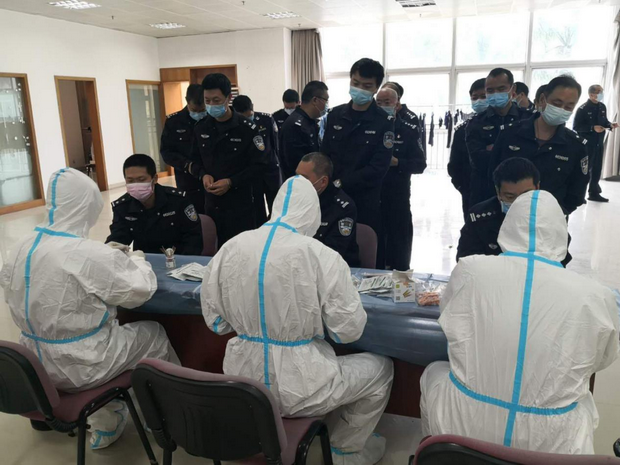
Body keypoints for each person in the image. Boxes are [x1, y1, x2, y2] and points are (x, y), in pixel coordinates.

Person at [201, 176, 393, 465]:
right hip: (303, 389)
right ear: (312, 213)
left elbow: (216, 323)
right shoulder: (321, 256)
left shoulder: (230, 248)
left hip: (244, 387)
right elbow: (348, 332)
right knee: (381, 369)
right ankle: (347, 451)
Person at [421, 190, 619, 454]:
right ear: (562, 232)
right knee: (582, 402)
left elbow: (450, 319)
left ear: (508, 226)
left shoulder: (470, 270)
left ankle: (436, 454)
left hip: (464, 427)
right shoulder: (595, 296)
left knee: (433, 372)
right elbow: (603, 358)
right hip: (551, 444)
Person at [1, 168, 178, 449]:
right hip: (82, 365)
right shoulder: (86, 254)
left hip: (34, 367)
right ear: (86, 207)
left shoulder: (19, 247)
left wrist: (105, 258)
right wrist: (137, 260)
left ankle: (106, 420)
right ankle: (162, 416)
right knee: (153, 334)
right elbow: (138, 291)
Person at [489, 75, 589, 216]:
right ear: (543, 99)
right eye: (557, 103)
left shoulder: (575, 146)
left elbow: (577, 192)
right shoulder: (510, 134)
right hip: (507, 215)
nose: (562, 109)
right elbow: (492, 175)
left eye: (569, 106)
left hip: (550, 219)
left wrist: (556, 214)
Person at [189, 73, 268, 246]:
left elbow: (260, 165)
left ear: (228, 98)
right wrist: (203, 175)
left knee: (242, 250)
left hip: (241, 204)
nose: (211, 105)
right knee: (215, 249)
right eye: (207, 100)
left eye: (216, 100)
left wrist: (231, 182)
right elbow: (194, 160)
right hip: (211, 203)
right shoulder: (201, 128)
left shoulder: (247, 129)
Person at [321, 58, 395, 243]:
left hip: (365, 200)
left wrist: (341, 182)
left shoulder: (384, 122)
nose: (359, 89)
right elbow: (324, 155)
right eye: (355, 83)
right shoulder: (335, 115)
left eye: (367, 85)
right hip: (332, 198)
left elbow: (378, 168)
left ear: (376, 88)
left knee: (364, 248)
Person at [107, 154, 203, 255]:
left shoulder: (178, 200)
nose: (136, 185)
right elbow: (118, 238)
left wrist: (180, 261)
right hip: (143, 260)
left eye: (141, 179)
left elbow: (194, 238)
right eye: (130, 180)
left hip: (178, 258)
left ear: (155, 179)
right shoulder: (122, 207)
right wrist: (110, 249)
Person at [376, 87, 426, 270]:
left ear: (397, 105)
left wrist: (398, 162)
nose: (382, 106)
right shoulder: (368, 128)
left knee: (399, 244)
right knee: (376, 244)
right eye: (378, 102)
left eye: (387, 102)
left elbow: (420, 164)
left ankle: (401, 276)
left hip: (398, 195)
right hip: (372, 196)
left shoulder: (408, 130)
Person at [466, 68, 530, 206]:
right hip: (485, 193)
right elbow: (478, 161)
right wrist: (512, 150)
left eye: (501, 89)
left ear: (512, 89)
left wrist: (494, 149)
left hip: (522, 195)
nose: (495, 94)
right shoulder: (476, 123)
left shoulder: (528, 120)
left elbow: (530, 158)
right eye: (490, 90)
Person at [457, 157, 540, 261]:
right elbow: (466, 261)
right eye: (510, 197)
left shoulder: (551, 216)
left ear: (537, 187)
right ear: (498, 192)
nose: (518, 202)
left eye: (526, 195)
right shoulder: (479, 218)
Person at [296, 152, 359, 267]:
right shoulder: (295, 201)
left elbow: (332, 253)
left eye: (304, 178)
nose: (297, 182)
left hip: (334, 269)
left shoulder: (343, 208)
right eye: (296, 176)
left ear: (323, 181)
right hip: (300, 265)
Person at [232, 95, 282, 220]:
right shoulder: (234, 124)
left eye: (249, 115)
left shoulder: (266, 119)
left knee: (276, 207)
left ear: (252, 108)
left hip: (270, 170)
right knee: (257, 209)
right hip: (252, 173)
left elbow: (275, 145)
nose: (247, 119)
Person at [160, 84, 207, 214]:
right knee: (192, 215)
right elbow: (166, 152)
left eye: (202, 110)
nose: (199, 114)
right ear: (187, 101)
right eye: (195, 110)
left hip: (211, 178)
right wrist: (187, 165)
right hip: (187, 179)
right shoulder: (174, 121)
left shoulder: (212, 119)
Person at [448, 78, 487, 220]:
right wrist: (462, 188)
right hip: (471, 192)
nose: (479, 101)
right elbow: (454, 165)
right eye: (475, 97)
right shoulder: (463, 130)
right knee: (472, 227)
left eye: (483, 96)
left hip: (503, 194)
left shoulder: (508, 128)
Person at [573, 84, 618, 203]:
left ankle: (594, 193)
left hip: (599, 143)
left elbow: (604, 122)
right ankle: (579, 195)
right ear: (591, 94)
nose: (601, 94)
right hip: (587, 144)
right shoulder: (582, 109)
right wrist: (592, 128)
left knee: (597, 169)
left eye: (602, 92)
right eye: (599, 92)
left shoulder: (602, 106)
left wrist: (610, 125)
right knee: (585, 170)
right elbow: (576, 127)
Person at [280, 81, 328, 178]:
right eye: (325, 100)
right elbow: (296, 165)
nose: (326, 105)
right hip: (301, 181)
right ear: (315, 100)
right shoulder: (296, 126)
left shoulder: (310, 122)